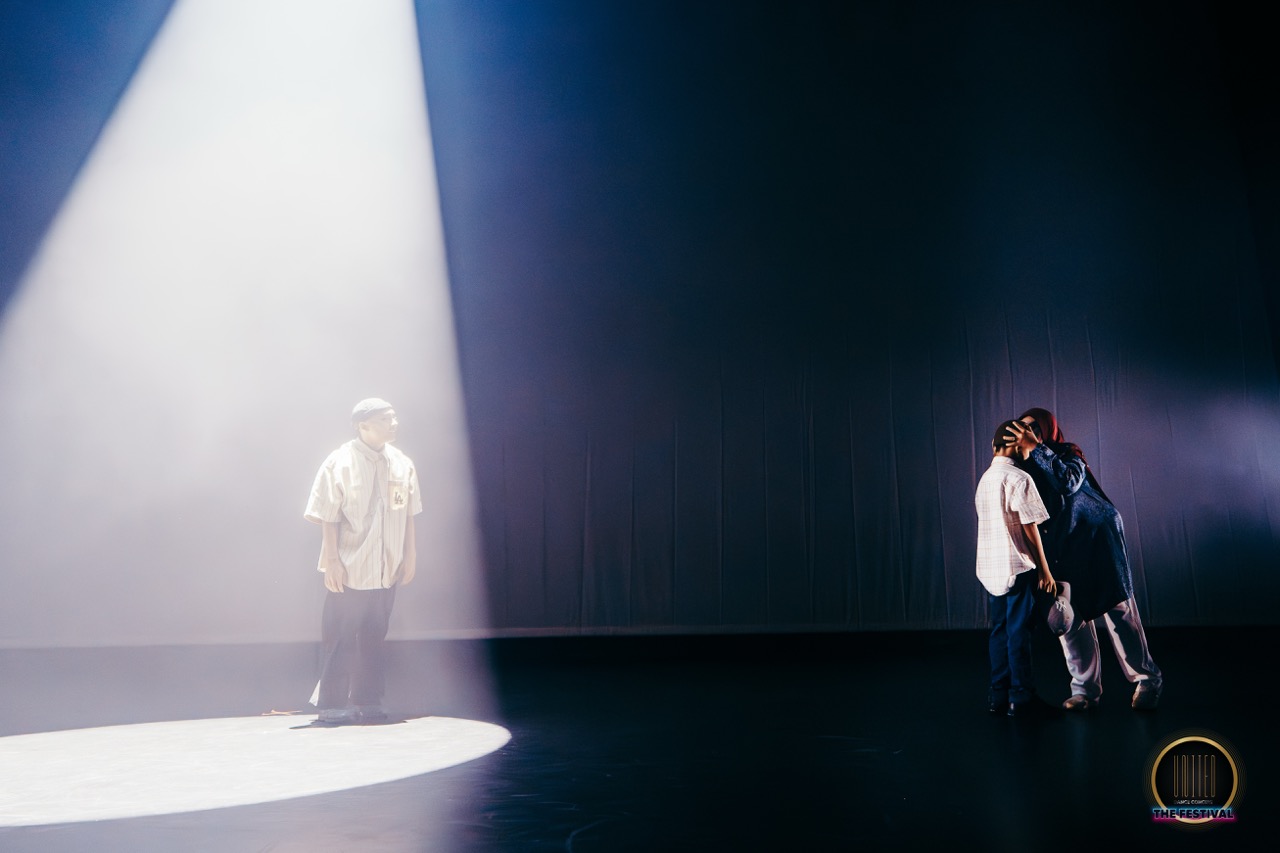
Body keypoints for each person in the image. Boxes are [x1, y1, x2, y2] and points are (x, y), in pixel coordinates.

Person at [1005, 407, 1163, 711]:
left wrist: (1037, 449)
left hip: (1097, 541)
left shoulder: (1068, 454)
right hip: (1061, 548)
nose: (1028, 433)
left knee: (1119, 612)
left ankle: (1147, 680)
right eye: (1023, 428)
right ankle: (1085, 691)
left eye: (1034, 427)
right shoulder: (1022, 466)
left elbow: (1068, 482)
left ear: (1047, 429)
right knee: (1071, 618)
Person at [303, 398, 422, 724]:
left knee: (374, 637)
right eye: (385, 419)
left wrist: (409, 554)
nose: (394, 423)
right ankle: (331, 703)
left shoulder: (402, 464)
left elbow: (408, 514)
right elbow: (328, 516)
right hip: (351, 566)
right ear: (363, 425)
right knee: (341, 637)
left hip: (386, 567)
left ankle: (368, 699)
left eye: (394, 417)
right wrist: (332, 560)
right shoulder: (339, 462)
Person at [976, 420, 1057, 717]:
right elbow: (1030, 528)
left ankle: (998, 694)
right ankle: (1021, 696)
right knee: (1019, 632)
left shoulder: (985, 479)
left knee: (999, 631)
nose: (1029, 448)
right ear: (1014, 443)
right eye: (1026, 442)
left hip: (990, 567)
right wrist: (1045, 570)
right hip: (1016, 567)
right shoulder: (1019, 478)